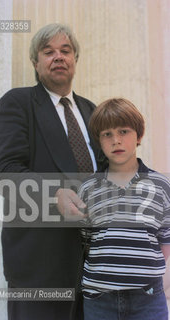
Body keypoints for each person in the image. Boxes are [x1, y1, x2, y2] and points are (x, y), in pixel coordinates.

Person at [0, 23, 99, 320]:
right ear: (35, 63)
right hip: (40, 265)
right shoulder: (17, 103)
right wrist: (54, 195)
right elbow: (5, 173)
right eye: (48, 52)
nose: (58, 57)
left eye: (65, 51)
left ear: (75, 59)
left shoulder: (92, 111)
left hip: (94, 268)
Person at [78, 98, 170, 320]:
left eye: (124, 131)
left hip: (148, 299)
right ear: (99, 141)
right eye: (107, 134)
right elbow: (87, 241)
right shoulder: (88, 188)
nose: (116, 140)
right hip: (100, 301)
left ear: (138, 136)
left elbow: (165, 242)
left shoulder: (161, 185)